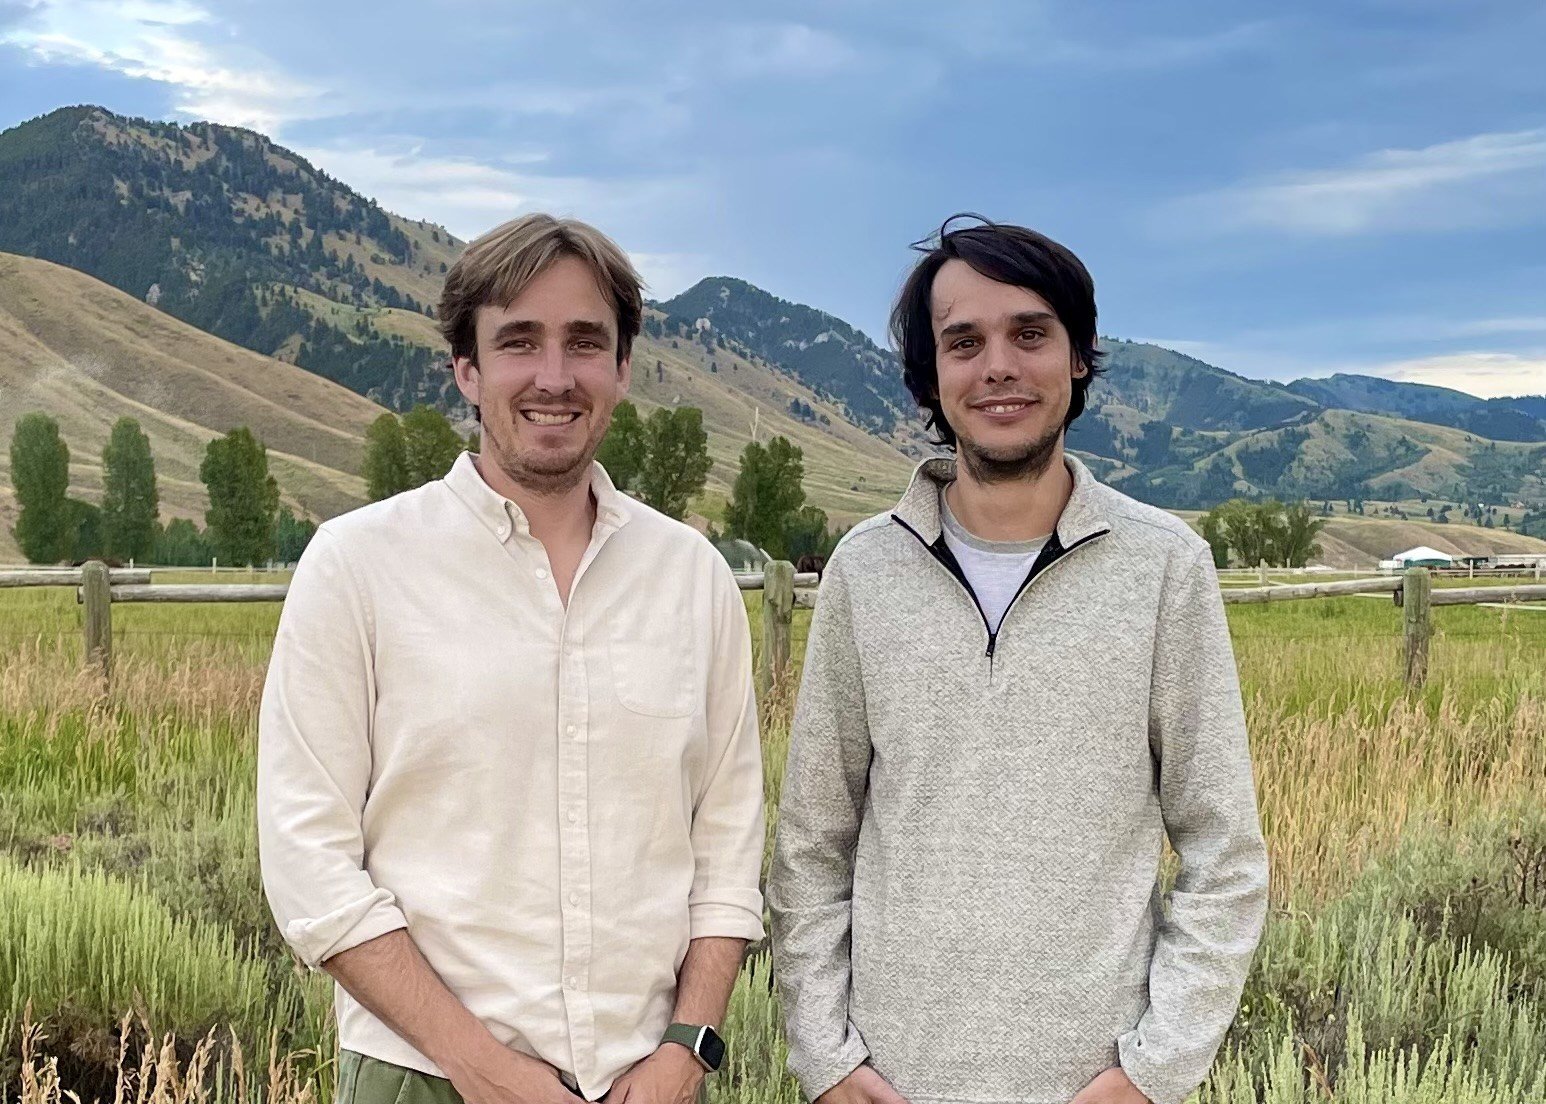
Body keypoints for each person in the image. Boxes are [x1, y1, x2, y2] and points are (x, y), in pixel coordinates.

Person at [257, 213, 765, 1104]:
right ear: (468, 369)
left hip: (649, 1083)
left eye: (584, 343)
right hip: (423, 1078)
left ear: (621, 370)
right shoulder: (357, 565)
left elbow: (727, 851)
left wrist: (688, 1049)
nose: (554, 377)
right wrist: (481, 1067)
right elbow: (308, 861)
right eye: (519, 342)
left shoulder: (693, 580)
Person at [768, 215, 1269, 1104]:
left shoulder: (1164, 567)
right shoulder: (864, 570)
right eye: (963, 341)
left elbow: (1223, 854)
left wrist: (1151, 1073)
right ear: (932, 376)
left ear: (1079, 356)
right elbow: (812, 844)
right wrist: (827, 1059)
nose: (998, 364)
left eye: (1030, 333)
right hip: (892, 1085)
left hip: (1096, 1088)